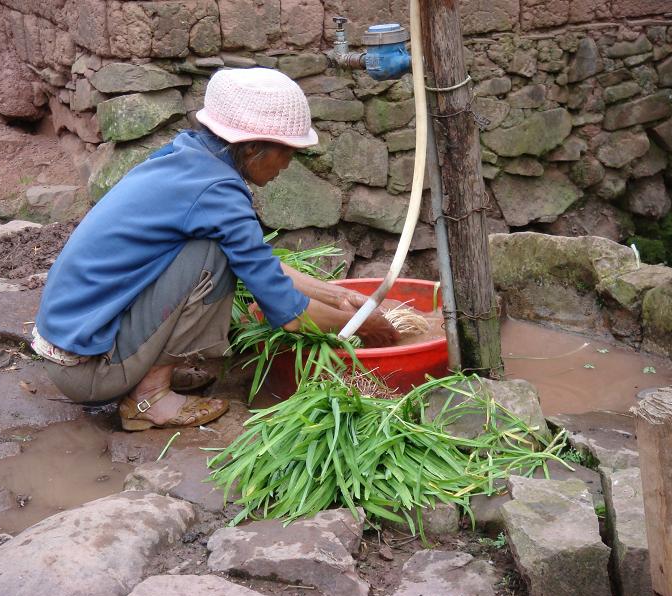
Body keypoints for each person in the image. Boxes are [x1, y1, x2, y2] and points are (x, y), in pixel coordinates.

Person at [32, 68, 398, 431]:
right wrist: (363, 325)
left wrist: (338, 298)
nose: (288, 164)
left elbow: (261, 264)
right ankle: (150, 399)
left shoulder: (188, 156)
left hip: (71, 351)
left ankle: (148, 371)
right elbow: (289, 314)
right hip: (87, 371)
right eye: (287, 151)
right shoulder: (218, 192)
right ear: (253, 146)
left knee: (217, 250)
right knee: (214, 256)